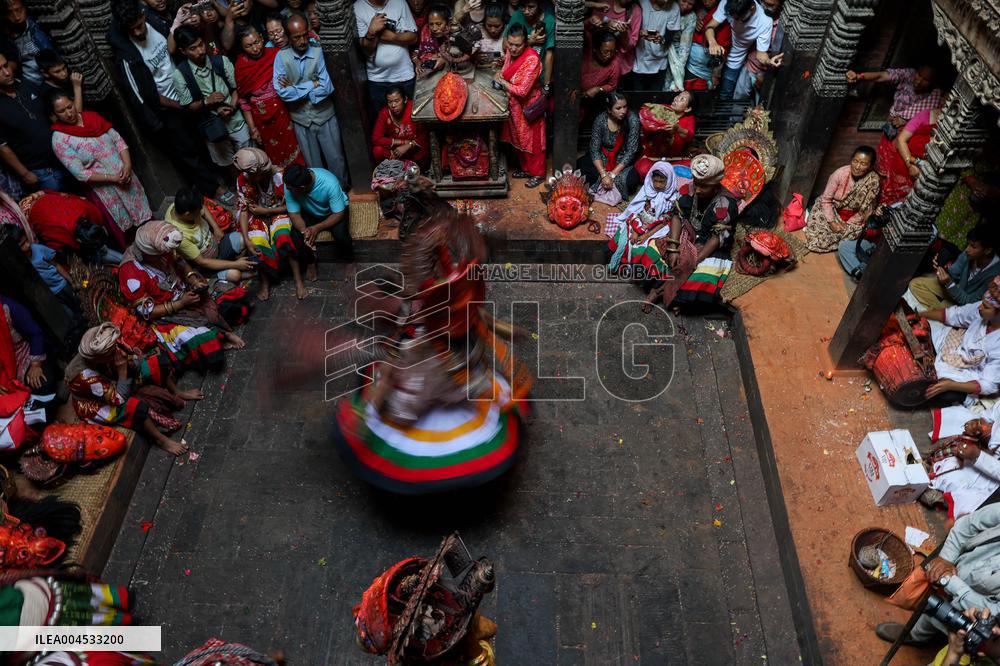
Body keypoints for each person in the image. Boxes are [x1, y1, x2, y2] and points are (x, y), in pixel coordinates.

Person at [108, 2, 228, 201]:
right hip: (168, 108)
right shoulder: (127, 54)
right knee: (188, 151)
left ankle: (221, 175)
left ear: (142, 15)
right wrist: (180, 107)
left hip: (188, 91)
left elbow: (175, 45)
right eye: (133, 29)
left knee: (204, 138)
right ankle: (213, 189)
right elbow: (144, 95)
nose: (138, 31)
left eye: (140, 25)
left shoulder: (154, 22)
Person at [119, 220, 246, 373]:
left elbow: (181, 263)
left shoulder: (163, 249)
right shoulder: (131, 274)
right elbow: (148, 312)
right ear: (148, 253)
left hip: (185, 291)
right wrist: (181, 304)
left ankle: (221, 331)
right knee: (200, 339)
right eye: (161, 255)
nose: (165, 256)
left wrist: (192, 279)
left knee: (231, 295)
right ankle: (221, 335)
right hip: (166, 313)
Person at [875, 502, 1000, 647]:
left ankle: (924, 638)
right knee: (931, 609)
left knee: (958, 640)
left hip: (973, 614)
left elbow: (994, 612)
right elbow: (968, 525)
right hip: (952, 573)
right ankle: (914, 635)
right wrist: (945, 559)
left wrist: (948, 581)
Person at [65, 323, 197, 455]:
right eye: (112, 351)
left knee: (157, 363)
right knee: (133, 407)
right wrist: (122, 372)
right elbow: (118, 399)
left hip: (112, 379)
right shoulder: (83, 376)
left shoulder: (103, 348)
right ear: (100, 357)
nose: (116, 350)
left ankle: (178, 392)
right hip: (96, 403)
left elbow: (135, 364)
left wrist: (131, 363)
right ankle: (162, 440)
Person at [48, 92, 153, 240]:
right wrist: (113, 178)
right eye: (61, 111)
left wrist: (127, 165)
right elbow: (80, 174)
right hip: (106, 189)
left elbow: (118, 141)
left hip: (126, 175)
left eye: (70, 107)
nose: (69, 113)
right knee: (130, 233)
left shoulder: (92, 118)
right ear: (54, 115)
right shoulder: (59, 140)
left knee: (145, 218)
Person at [274, 14, 349, 185]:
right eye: (297, 37)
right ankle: (321, 196)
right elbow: (282, 93)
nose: (302, 41)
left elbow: (327, 87)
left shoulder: (318, 51)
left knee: (336, 160)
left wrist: (295, 88)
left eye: (305, 35)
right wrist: (312, 85)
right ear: (288, 37)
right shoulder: (281, 57)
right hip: (301, 121)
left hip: (325, 116)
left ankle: (342, 193)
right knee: (313, 166)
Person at [172, 26, 252, 176]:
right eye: (193, 48)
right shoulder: (180, 75)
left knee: (249, 158)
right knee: (229, 164)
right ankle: (244, 192)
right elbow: (188, 107)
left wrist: (232, 107)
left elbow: (237, 89)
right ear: (183, 51)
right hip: (212, 127)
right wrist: (206, 102)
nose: (200, 51)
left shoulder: (221, 61)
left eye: (201, 44)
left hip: (235, 121)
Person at [234, 147, 306, 300]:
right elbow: (244, 209)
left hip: (278, 212)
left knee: (283, 237)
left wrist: (266, 211)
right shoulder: (242, 179)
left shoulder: (279, 176)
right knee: (256, 244)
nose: (248, 177)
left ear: (261, 172)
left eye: (252, 174)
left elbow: (291, 206)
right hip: (256, 217)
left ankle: (298, 280)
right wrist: (246, 240)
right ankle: (265, 282)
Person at [669, 153, 739, 308]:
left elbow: (718, 237)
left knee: (701, 277)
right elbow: (677, 216)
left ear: (716, 186)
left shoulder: (725, 204)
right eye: (696, 183)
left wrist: (695, 260)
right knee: (663, 257)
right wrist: (673, 247)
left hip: (711, 244)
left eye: (704, 186)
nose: (698, 190)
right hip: (690, 236)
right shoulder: (690, 189)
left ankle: (678, 300)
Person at [920, 280, 1000, 404]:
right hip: (954, 347)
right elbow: (954, 315)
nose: (980, 307)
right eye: (982, 303)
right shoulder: (981, 310)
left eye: (986, 307)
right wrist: (919, 315)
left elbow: (988, 384)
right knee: (921, 332)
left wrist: (950, 385)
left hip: (968, 375)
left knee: (932, 390)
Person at [234, 26, 303, 169]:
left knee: (295, 147)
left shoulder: (275, 54)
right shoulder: (241, 66)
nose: (255, 48)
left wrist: (291, 83)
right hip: (262, 121)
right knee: (274, 155)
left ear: (261, 37)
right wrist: (253, 128)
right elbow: (244, 101)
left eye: (257, 42)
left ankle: (301, 177)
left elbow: (294, 77)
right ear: (242, 48)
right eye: (249, 46)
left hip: (283, 114)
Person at [605, 160, 679, 285]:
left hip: (659, 227)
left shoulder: (672, 198)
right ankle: (619, 265)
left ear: (670, 181)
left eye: (662, 182)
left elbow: (664, 221)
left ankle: (636, 273)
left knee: (644, 248)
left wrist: (646, 235)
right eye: (655, 181)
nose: (658, 185)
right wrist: (635, 230)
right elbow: (637, 211)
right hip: (641, 221)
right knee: (624, 240)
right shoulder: (648, 189)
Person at [0, 53, 65, 191]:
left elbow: (49, 115)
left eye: (6, 65)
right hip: (42, 172)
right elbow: (2, 147)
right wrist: (24, 173)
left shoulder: (25, 84)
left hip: (63, 156)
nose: (6, 72)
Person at [166, 185, 254, 284]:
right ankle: (233, 269)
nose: (201, 212)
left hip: (217, 246)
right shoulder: (178, 236)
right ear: (187, 214)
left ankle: (236, 263)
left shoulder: (180, 206)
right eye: (198, 212)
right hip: (207, 266)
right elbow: (202, 262)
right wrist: (235, 264)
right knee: (235, 275)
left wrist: (216, 228)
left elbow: (202, 206)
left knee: (243, 239)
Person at [494, 23, 545, 188]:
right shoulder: (509, 51)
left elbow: (523, 90)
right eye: (511, 44)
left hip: (529, 107)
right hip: (513, 106)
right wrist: (500, 74)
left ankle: (538, 173)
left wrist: (501, 81)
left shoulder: (532, 59)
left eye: (518, 45)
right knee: (519, 140)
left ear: (526, 43)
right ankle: (526, 169)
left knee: (533, 141)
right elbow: (505, 70)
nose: (513, 48)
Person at [803, 145, 880, 253]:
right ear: (851, 160)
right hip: (832, 209)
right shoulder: (839, 174)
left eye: (863, 164)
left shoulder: (873, 181)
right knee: (819, 219)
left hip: (853, 216)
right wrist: (832, 222)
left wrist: (848, 223)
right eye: (855, 161)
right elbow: (826, 200)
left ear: (871, 167)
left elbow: (866, 210)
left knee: (860, 232)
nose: (857, 167)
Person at [283, 163, 351, 282]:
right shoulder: (290, 183)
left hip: (333, 212)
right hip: (310, 212)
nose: (287, 189)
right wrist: (305, 231)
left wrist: (317, 228)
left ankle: (350, 260)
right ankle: (310, 261)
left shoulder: (329, 183)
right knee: (296, 237)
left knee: (341, 236)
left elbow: (338, 214)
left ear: (302, 188)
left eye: (290, 188)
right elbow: (294, 214)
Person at [907, 225, 1000, 311]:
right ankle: (944, 310)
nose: (967, 249)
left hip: (967, 305)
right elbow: (952, 274)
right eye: (968, 244)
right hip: (957, 291)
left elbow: (968, 301)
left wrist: (949, 284)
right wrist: (941, 267)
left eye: (973, 246)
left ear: (987, 250)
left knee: (949, 306)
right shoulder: (968, 254)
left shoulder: (994, 276)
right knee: (915, 284)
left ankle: (944, 311)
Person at [10, 225, 84, 329]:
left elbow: (56, 265)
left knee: (80, 308)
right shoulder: (20, 263)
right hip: (51, 295)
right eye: (22, 245)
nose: (27, 245)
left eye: (27, 240)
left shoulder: (38, 249)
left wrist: (72, 281)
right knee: (70, 317)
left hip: (62, 285)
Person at [875, 97, 943, 206]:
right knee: (892, 200)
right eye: (947, 97)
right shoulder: (925, 115)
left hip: (928, 170)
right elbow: (901, 140)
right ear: (942, 98)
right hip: (906, 162)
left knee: (915, 204)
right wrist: (910, 165)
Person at [354, 0, 418, 113]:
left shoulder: (400, 2)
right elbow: (366, 50)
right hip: (378, 80)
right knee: (383, 122)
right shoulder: (358, 7)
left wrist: (392, 37)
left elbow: (413, 37)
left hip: (404, 75)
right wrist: (371, 33)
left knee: (411, 119)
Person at [846, 64, 942, 139]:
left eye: (926, 80)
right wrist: (859, 76)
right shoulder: (909, 75)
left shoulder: (936, 96)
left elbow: (929, 121)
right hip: (891, 126)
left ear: (933, 83)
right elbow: (882, 76)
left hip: (911, 135)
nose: (919, 80)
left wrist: (906, 121)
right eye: (919, 75)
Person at [704, 0, 775, 100]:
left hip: (735, 59)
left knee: (725, 93)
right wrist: (712, 42)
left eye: (738, 18)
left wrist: (769, 61)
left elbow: (761, 54)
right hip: (720, 49)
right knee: (708, 86)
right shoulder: (728, 2)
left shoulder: (765, 22)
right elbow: (709, 27)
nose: (734, 20)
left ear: (752, 8)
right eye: (732, 16)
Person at [578, 91, 641, 197]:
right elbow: (594, 149)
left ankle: (607, 184)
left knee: (631, 180)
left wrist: (612, 174)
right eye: (618, 108)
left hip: (623, 160)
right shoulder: (600, 120)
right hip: (604, 156)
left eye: (625, 107)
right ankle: (606, 183)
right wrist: (603, 174)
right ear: (609, 110)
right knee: (581, 166)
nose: (623, 111)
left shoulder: (633, 120)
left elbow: (631, 151)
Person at [0, 295, 56, 395]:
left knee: (41, 384)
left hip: (24, 357)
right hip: (3, 373)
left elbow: (35, 333)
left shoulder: (7, 307)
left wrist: (35, 365)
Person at [634, 90, 695, 180]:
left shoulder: (689, 119)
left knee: (691, 168)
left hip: (673, 159)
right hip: (653, 157)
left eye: (682, 99)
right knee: (643, 169)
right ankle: (666, 175)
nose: (676, 99)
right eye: (678, 96)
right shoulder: (662, 109)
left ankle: (663, 175)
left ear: (687, 109)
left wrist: (678, 129)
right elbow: (646, 121)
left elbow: (689, 136)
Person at [731, 0, 781, 103]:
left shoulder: (782, 26)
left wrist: (763, 74)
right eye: (764, 2)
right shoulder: (755, 13)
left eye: (771, 5)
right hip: (750, 65)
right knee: (738, 101)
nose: (765, 7)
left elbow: (775, 54)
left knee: (760, 107)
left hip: (766, 71)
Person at [370, 85, 428, 167]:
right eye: (390, 102)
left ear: (405, 99)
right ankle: (395, 168)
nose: (393, 105)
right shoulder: (385, 113)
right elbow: (376, 139)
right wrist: (402, 142)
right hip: (397, 152)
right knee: (377, 150)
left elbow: (425, 134)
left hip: (415, 150)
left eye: (397, 101)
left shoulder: (414, 108)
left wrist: (409, 145)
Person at [585, 0, 640, 83]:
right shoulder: (603, 4)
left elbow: (630, 46)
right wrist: (606, 23)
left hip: (621, 67)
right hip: (598, 64)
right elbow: (590, 30)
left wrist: (623, 33)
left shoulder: (635, 11)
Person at [506, 0, 554, 92]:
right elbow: (505, 45)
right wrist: (530, 41)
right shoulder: (517, 16)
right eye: (523, 7)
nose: (526, 11)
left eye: (531, 7)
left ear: (539, 5)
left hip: (539, 77)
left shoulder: (549, 20)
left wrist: (546, 84)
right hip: (516, 75)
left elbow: (550, 54)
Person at [632, 0, 680, 91]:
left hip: (660, 62)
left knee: (654, 98)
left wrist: (662, 39)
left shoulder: (674, 7)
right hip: (639, 59)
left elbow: (670, 35)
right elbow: (632, 25)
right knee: (638, 97)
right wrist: (639, 32)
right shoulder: (642, 2)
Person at [1, 0, 52, 84]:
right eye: (10, 13)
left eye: (19, 10)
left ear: (25, 8)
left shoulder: (39, 24)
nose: (16, 17)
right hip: (30, 84)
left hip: (52, 78)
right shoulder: (6, 38)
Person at [685, 0, 729, 90]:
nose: (706, 2)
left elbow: (723, 49)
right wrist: (694, 21)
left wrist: (716, 74)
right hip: (690, 63)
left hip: (708, 67)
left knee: (703, 93)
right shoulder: (697, 8)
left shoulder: (723, 14)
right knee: (686, 90)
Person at [581, 30, 622, 108]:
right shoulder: (586, 53)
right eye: (605, 52)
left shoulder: (614, 64)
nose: (609, 55)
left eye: (612, 51)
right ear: (595, 49)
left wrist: (598, 89)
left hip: (595, 103)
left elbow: (612, 85)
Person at [663, 0, 696, 92]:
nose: (685, 6)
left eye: (690, 4)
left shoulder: (691, 17)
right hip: (659, 46)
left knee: (670, 86)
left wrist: (678, 70)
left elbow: (685, 48)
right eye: (683, 1)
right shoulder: (666, 7)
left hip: (675, 54)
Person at [474, 3, 505, 67]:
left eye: (497, 26)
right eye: (489, 25)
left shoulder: (507, 32)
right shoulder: (477, 31)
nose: (493, 30)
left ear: (503, 23)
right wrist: (475, 57)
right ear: (484, 22)